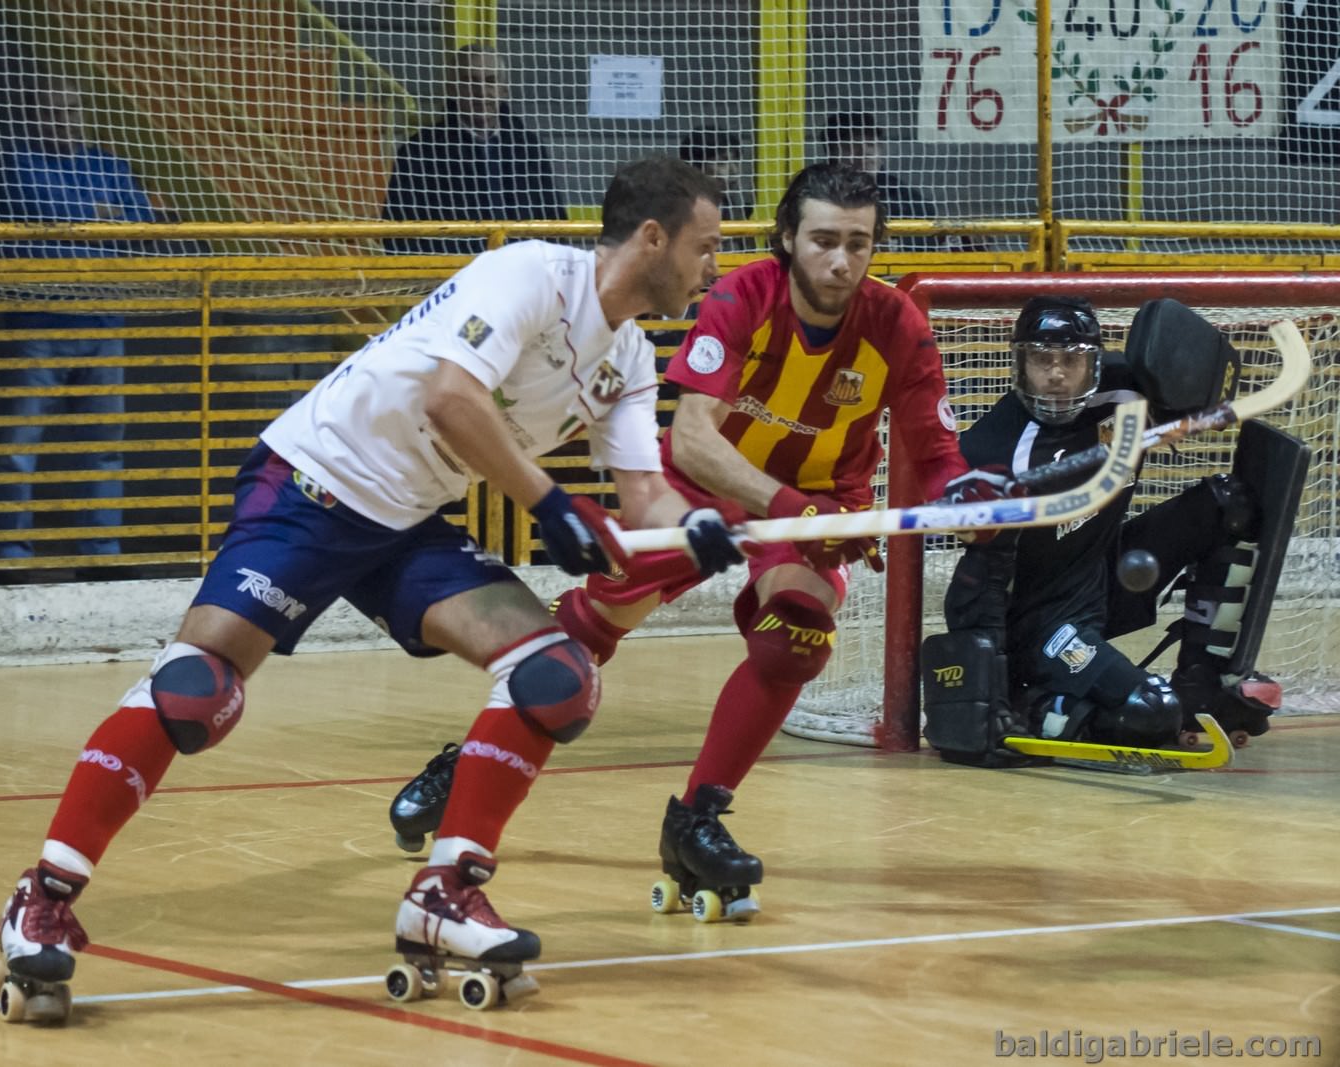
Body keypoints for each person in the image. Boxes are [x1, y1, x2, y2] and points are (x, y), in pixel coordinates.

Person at [0, 156, 753, 991]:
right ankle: (44, 893)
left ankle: (445, 893)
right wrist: (546, 501)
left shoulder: (632, 359)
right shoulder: (530, 274)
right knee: (196, 691)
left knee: (554, 675)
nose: (713, 267)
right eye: (706, 246)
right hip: (316, 482)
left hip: (407, 523)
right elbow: (450, 399)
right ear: (653, 237)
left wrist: (698, 527)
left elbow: (643, 495)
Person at [388, 162, 1006, 918]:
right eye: (823, 240)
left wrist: (966, 500)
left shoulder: (897, 324)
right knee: (587, 636)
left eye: (859, 243)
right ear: (787, 238)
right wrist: (788, 507)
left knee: (797, 641)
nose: (841, 261)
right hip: (711, 496)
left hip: (816, 508)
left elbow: (939, 461)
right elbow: (691, 441)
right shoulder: (743, 295)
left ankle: (697, 818)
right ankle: (469, 762)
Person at [920, 296, 1293, 765]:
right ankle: (1032, 706)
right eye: (1041, 359)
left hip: (1105, 575)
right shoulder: (996, 458)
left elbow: (1210, 390)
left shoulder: (1129, 392)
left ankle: (1206, 684)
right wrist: (986, 694)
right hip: (1042, 624)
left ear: (1094, 364)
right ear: (1020, 364)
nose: (1056, 375)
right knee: (1150, 713)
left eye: (1071, 361)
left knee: (1227, 504)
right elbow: (980, 588)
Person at [0, 75, 156, 575]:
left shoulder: (108, 163)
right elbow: (50, 209)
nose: (64, 118)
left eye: (73, 108)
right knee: (19, 446)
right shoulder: (19, 163)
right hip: (41, 320)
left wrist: (106, 216)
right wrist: (106, 215)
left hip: (104, 318)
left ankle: (101, 557)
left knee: (104, 446)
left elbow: (141, 220)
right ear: (35, 116)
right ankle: (11, 557)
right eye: (52, 109)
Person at [381, 43, 565, 256]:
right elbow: (399, 231)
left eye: (490, 81)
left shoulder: (528, 148)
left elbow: (553, 220)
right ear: (452, 88)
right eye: (470, 81)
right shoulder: (419, 151)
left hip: (520, 275)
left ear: (503, 89)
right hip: (451, 276)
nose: (480, 92)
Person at [819, 111, 976, 253]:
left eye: (871, 144)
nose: (864, 153)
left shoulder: (907, 200)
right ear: (831, 154)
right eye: (851, 146)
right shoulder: (818, 196)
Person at [678, 126, 753, 249]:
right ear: (696, 166)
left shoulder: (736, 207)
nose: (734, 170)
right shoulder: (680, 209)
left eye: (736, 160)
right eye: (722, 162)